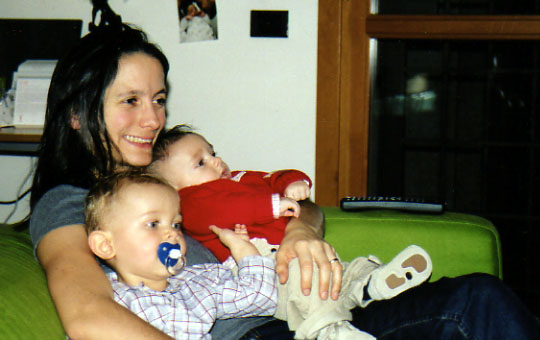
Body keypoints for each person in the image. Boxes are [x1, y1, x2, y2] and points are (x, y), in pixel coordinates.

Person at [28, 17, 540, 340]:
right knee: (472, 311)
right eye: (130, 101)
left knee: (480, 297)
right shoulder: (72, 203)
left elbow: (290, 206)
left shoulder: (161, 182)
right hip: (262, 334)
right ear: (77, 113)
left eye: (159, 99)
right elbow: (89, 317)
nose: (152, 119)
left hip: (305, 316)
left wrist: (300, 231)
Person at [148, 124, 434, 339]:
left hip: (293, 247)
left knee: (337, 270)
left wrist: (293, 182)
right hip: (261, 263)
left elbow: (274, 177)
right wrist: (271, 205)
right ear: (172, 189)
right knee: (304, 283)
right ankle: (328, 329)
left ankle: (371, 282)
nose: (216, 162)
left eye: (213, 153)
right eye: (201, 163)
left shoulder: (242, 179)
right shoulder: (190, 201)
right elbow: (223, 209)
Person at [84, 171, 278, 339]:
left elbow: (260, 296)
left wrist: (243, 248)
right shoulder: (106, 301)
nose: (173, 233)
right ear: (105, 245)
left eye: (176, 224)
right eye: (153, 224)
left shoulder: (198, 283)